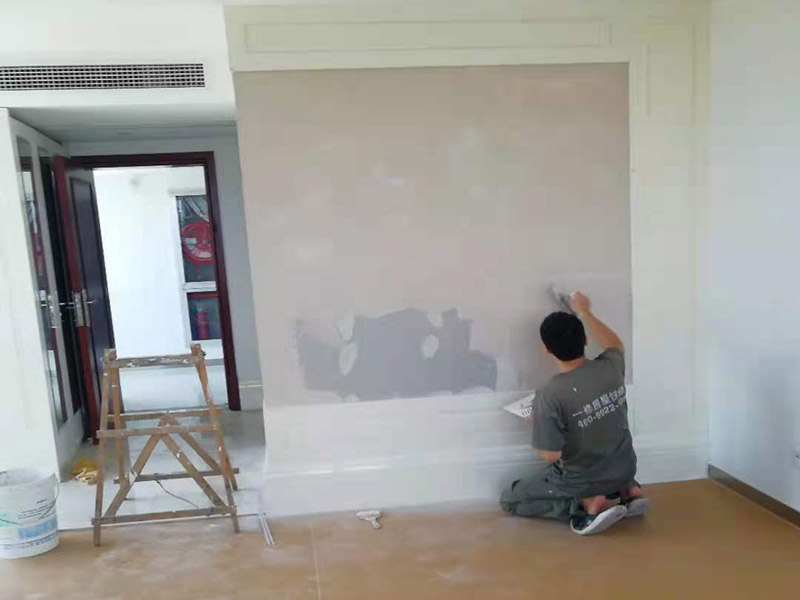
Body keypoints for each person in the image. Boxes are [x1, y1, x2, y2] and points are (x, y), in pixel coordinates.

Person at [500, 292, 650, 535]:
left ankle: (586, 503)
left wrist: (539, 423)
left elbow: (550, 455)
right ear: (585, 341)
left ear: (547, 349)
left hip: (583, 480)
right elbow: (614, 344)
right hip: (625, 467)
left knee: (510, 498)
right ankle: (629, 490)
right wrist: (584, 311)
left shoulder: (550, 393)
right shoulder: (611, 366)